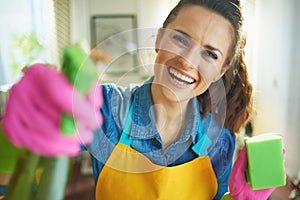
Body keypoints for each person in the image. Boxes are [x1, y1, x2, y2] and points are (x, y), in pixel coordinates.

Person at [1, 0, 281, 199]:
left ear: (221, 71)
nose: (187, 62)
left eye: (210, 54)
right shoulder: (105, 107)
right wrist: (27, 122)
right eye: (181, 39)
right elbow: (13, 175)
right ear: (158, 39)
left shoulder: (219, 140)